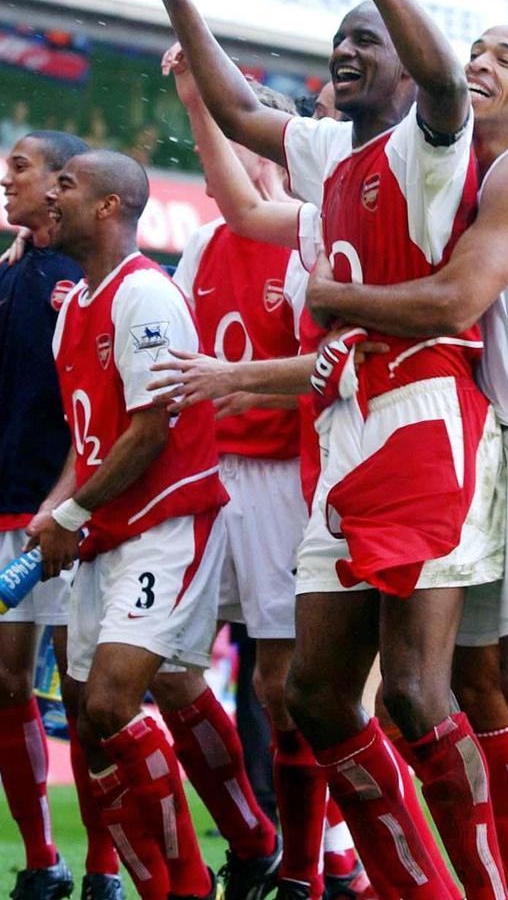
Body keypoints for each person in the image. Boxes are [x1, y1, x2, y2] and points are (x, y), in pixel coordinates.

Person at [142, 0, 507, 898]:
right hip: (342, 428)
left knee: (421, 695)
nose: (344, 51)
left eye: (364, 40)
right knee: (308, 692)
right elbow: (236, 110)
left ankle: (473, 884)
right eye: (337, 39)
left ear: (401, 62)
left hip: (421, 418)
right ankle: (409, 884)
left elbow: (440, 78)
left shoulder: (429, 148)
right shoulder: (323, 156)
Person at [304, 23, 508, 899]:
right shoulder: (448, 178)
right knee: (477, 687)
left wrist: (334, 297)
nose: (483, 64)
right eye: (476, 51)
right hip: (496, 444)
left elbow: (452, 300)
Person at [151, 44, 376, 900]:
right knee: (168, 669)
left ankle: (319, 864)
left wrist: (233, 384)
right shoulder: (204, 243)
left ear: (272, 152)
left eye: (235, 133)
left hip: (288, 478)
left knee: (286, 686)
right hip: (212, 481)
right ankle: (255, 840)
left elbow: (324, 375)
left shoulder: (307, 242)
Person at [31, 148, 230, 900]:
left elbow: (150, 430)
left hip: (165, 523)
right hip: (102, 532)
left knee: (115, 702)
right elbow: (89, 444)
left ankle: (188, 885)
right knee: (86, 715)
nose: (53, 193)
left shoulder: (146, 295)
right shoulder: (74, 309)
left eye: (67, 184)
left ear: (110, 206)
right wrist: (59, 508)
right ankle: (165, 882)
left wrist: (71, 512)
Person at [0, 130, 126, 900]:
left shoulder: (88, 282)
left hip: (74, 516)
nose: (5, 177)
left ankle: (106, 871)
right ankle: (45, 864)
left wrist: (69, 503)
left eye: (19, 166)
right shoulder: (14, 270)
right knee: (10, 682)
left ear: (61, 185)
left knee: (86, 694)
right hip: (11, 504)